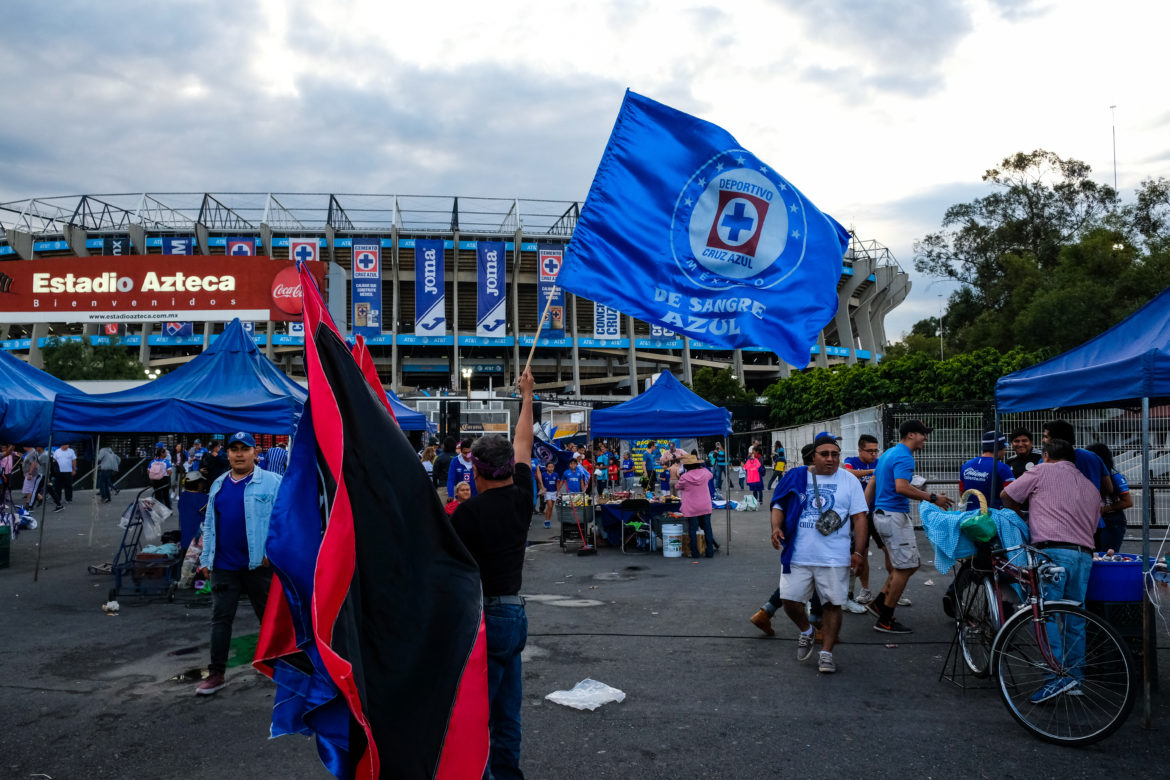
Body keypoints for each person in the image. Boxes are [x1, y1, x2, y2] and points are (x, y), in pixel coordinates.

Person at [449, 368, 535, 779]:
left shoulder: (468, 514)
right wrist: (528, 394)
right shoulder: (522, 497)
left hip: (484, 619)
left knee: (478, 712)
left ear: (478, 472)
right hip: (515, 615)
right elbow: (524, 442)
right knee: (507, 712)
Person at [1000, 438, 1101, 702]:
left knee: (1045, 616)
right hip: (1083, 555)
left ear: (1045, 456)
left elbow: (1006, 495)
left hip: (1051, 554)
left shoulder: (1041, 470)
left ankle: (1055, 678)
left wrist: (1022, 516)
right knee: (1075, 617)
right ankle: (1075, 678)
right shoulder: (1090, 486)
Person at [769, 434, 868, 673]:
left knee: (833, 604)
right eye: (825, 454)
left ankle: (826, 653)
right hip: (798, 554)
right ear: (813, 456)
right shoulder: (796, 476)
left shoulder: (849, 481)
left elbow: (860, 517)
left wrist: (859, 552)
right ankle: (807, 630)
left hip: (834, 556)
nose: (831, 459)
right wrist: (775, 527)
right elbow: (779, 504)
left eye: (835, 454)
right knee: (789, 600)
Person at [195, 432, 282, 696]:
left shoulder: (273, 482)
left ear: (256, 453)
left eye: (245, 449)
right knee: (220, 619)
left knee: (269, 618)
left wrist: (272, 552)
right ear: (228, 454)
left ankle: (279, 667)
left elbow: (284, 521)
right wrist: (205, 558)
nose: (239, 454)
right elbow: (209, 524)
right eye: (234, 449)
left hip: (259, 565)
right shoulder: (219, 484)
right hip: (223, 566)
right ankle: (217, 673)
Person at [866, 419, 953, 634]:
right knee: (905, 567)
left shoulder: (889, 453)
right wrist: (933, 497)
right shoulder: (904, 456)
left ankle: (879, 603)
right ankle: (885, 619)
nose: (926, 438)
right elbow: (901, 487)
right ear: (912, 435)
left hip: (883, 514)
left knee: (909, 565)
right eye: (923, 434)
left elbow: (875, 481)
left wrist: (864, 511)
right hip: (893, 516)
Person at [843, 433, 881, 607]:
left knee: (891, 551)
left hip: (877, 512)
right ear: (860, 450)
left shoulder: (879, 462)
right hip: (859, 515)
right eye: (870, 451)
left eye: (876, 451)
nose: (874, 454)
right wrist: (872, 472)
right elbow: (848, 473)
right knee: (860, 554)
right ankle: (859, 591)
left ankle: (893, 589)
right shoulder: (851, 461)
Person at [1086, 442, 1132, 553]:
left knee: (1107, 554)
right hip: (1092, 520)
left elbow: (1128, 502)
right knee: (1093, 555)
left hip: (1112, 520)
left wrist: (1105, 509)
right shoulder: (1088, 474)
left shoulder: (1114, 476)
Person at [958, 431, 1015, 509]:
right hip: (992, 517)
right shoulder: (1003, 468)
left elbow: (962, 493)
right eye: (1005, 446)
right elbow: (1011, 496)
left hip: (969, 517)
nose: (1005, 450)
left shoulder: (966, 466)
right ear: (1000, 447)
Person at [677, 454, 718, 559]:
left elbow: (677, 486)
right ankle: (710, 552)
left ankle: (695, 553)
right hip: (705, 505)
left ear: (686, 466)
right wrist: (702, 467)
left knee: (693, 530)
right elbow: (711, 475)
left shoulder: (684, 477)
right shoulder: (705, 472)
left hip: (692, 508)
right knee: (708, 529)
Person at [177, 470, 208, 552]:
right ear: (198, 484)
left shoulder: (183, 496)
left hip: (185, 540)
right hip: (198, 541)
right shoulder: (202, 498)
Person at [540, 461, 559, 528]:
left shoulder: (556, 474)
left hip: (554, 492)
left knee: (550, 508)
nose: (551, 468)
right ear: (546, 468)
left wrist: (557, 491)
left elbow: (557, 483)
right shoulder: (543, 474)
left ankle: (547, 521)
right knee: (550, 506)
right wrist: (542, 489)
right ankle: (547, 521)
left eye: (552, 467)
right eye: (549, 467)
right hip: (547, 492)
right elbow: (540, 483)